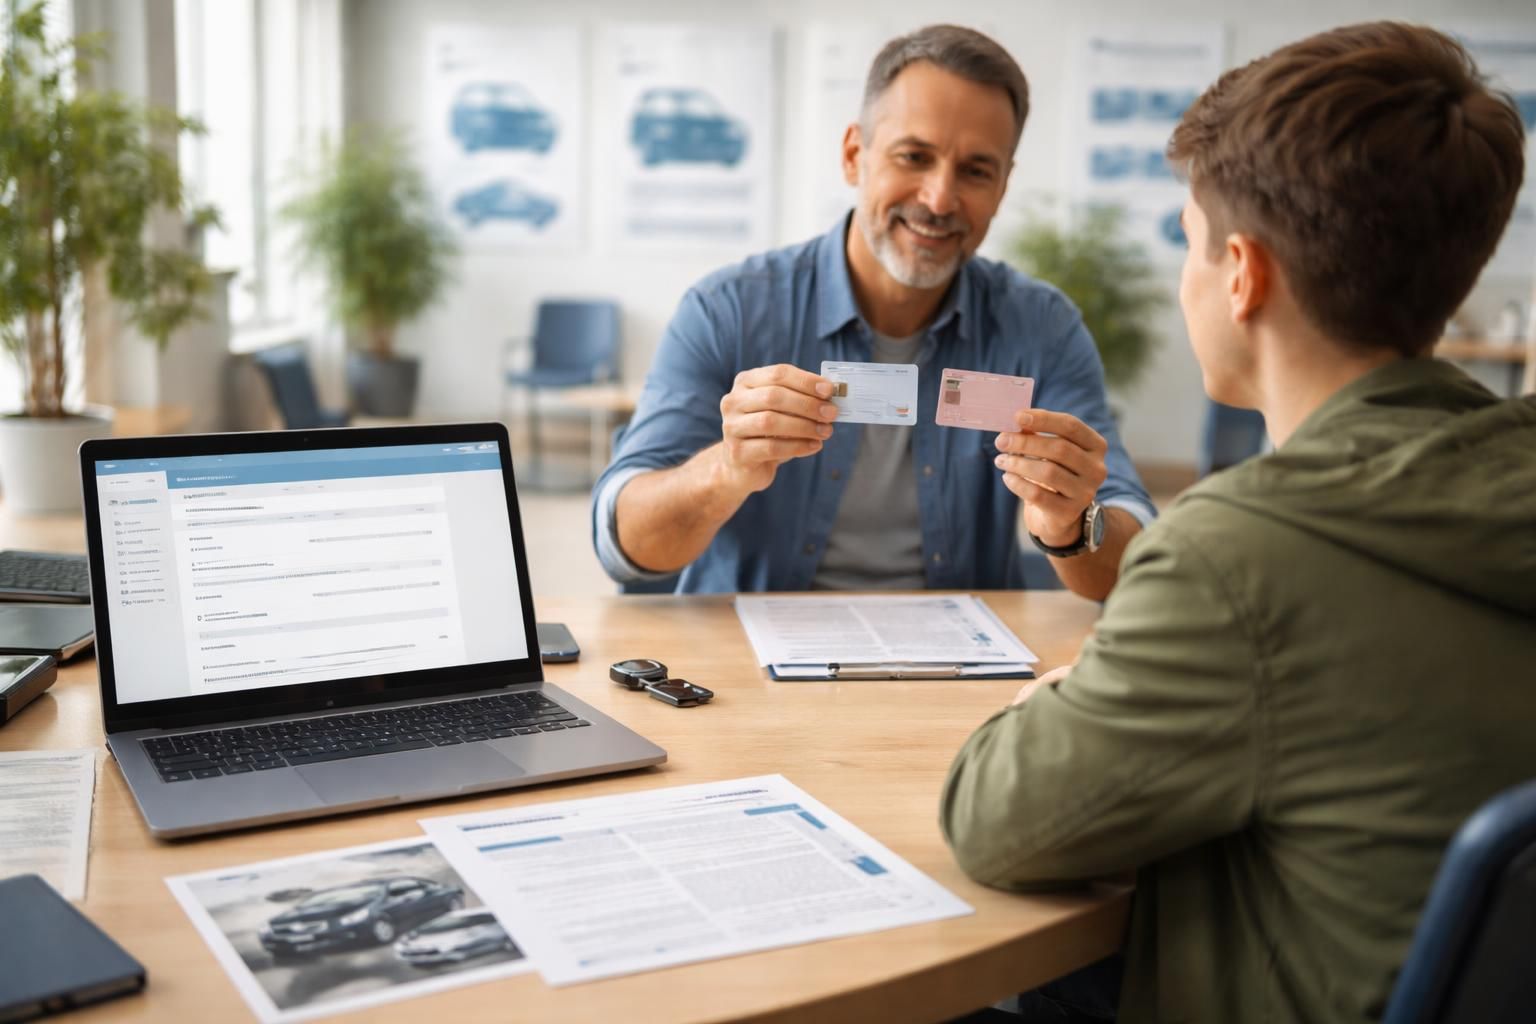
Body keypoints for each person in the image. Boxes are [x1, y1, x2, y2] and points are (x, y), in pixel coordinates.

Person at [941, 21, 1536, 1024]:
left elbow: (991, 821)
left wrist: (1070, 690)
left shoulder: (1234, 559)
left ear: (1244, 275)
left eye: (1190, 242)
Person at [591, 25, 1154, 599]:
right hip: (748, 648)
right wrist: (725, 471)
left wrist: (1070, 524)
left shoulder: (1043, 328)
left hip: (961, 652)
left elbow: (1138, 562)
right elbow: (623, 548)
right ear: (853, 155)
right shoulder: (728, 310)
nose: (939, 199)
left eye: (975, 171)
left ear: (1004, 186)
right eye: (914, 157)